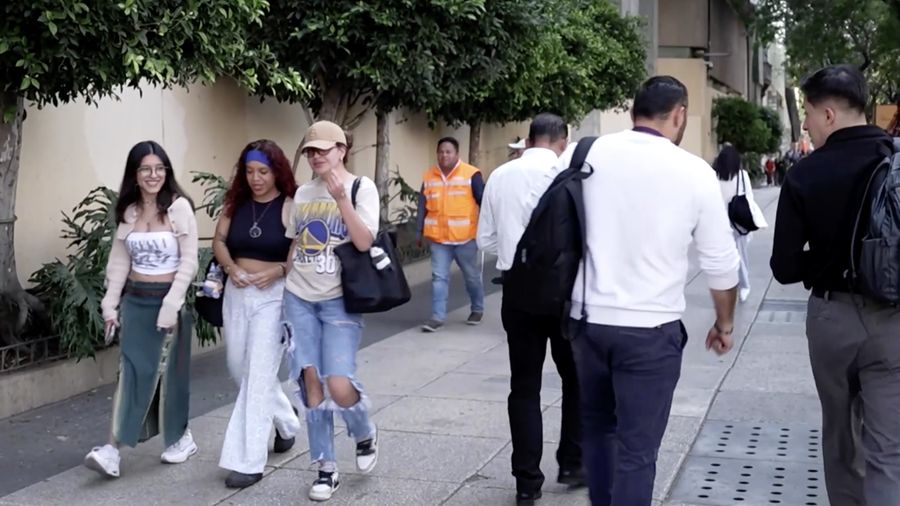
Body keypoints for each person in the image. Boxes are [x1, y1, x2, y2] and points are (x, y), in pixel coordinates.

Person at [562, 76, 740, 506]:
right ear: (679, 114)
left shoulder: (582, 153)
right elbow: (721, 263)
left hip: (588, 324)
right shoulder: (695, 171)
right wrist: (724, 323)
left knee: (599, 432)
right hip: (650, 331)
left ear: (632, 112)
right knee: (638, 452)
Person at [770, 64, 899, 506]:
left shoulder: (806, 173)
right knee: (890, 448)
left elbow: (784, 266)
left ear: (828, 115)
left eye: (806, 113)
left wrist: (827, 258)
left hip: (832, 319)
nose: (804, 123)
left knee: (842, 439)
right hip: (893, 321)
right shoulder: (895, 160)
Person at [478, 113, 583, 506]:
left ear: (529, 138)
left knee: (524, 387)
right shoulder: (571, 176)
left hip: (518, 294)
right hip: (565, 293)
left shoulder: (501, 176)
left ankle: (527, 483)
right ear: (562, 139)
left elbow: (484, 240)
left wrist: (514, 251)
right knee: (575, 379)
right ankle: (572, 462)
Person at [85, 141, 200, 478]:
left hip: (169, 302)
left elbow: (189, 261)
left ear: (167, 172)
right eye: (146, 169)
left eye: (159, 168)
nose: (153, 175)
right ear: (134, 175)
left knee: (170, 375)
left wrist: (172, 303)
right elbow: (119, 262)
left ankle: (181, 438)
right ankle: (112, 449)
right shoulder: (129, 211)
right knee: (132, 372)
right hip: (136, 301)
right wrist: (110, 304)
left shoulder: (179, 208)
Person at [284, 121, 380, 502]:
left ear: (342, 149)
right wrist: (283, 279)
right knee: (311, 386)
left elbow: (363, 240)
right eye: (310, 151)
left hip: (340, 299)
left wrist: (342, 199)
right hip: (299, 298)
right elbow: (294, 244)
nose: (316, 156)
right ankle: (325, 467)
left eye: (323, 149)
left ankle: (364, 431)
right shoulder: (303, 192)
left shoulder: (361, 187)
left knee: (338, 384)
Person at [214, 140, 302, 488]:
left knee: (257, 376)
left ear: (277, 171)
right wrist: (231, 267)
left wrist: (279, 271)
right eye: (249, 171)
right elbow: (219, 240)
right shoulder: (235, 203)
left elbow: (298, 250)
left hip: (274, 297)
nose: (255, 178)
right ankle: (286, 419)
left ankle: (248, 460)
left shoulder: (290, 205)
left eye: (263, 171)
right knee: (239, 369)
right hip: (237, 292)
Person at [416, 137, 485, 332]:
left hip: (465, 239)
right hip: (439, 240)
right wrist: (419, 231)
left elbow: (484, 202)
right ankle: (437, 317)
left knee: (471, 276)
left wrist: (488, 230)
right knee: (439, 278)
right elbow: (422, 207)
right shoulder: (429, 176)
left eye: (448, 152)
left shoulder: (472, 174)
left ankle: (477, 308)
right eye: (441, 152)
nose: (444, 155)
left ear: (457, 154)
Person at [714, 144, 768, 303]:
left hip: (721, 224)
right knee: (740, 258)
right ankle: (744, 286)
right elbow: (749, 198)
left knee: (724, 260)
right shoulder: (742, 175)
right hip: (739, 223)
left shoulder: (714, 176)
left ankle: (732, 287)